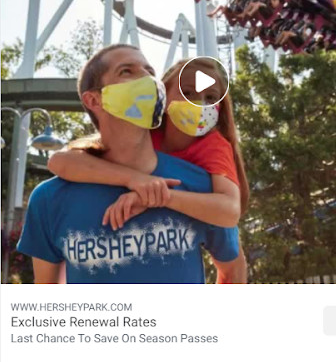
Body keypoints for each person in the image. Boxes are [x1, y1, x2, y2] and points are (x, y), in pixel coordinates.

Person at [17, 45, 245, 284]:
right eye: (127, 71)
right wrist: (136, 180)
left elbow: (233, 269)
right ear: (94, 99)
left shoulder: (202, 186)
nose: (146, 78)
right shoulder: (49, 199)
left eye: (150, 70)